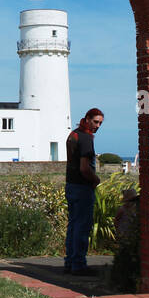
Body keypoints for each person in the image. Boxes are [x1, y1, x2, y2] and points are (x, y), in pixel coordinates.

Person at [64, 108, 104, 275]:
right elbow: (84, 168)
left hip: (71, 185)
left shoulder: (73, 134)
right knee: (82, 226)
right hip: (82, 187)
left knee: (73, 225)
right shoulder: (86, 138)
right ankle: (79, 264)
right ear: (87, 119)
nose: (98, 126)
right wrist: (96, 180)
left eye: (100, 123)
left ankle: (70, 262)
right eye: (95, 121)